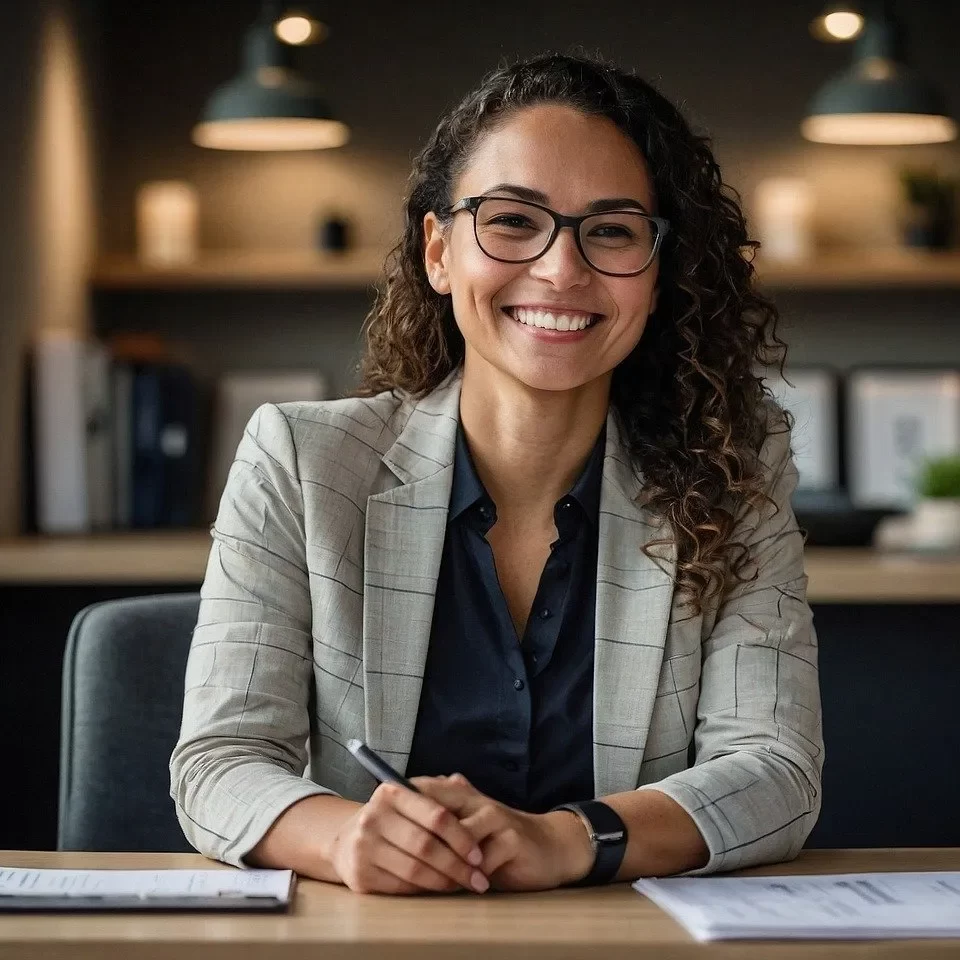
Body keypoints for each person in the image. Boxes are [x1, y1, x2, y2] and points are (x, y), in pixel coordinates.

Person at [170, 51, 823, 897]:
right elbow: (219, 762)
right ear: (440, 252)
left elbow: (776, 772)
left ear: (659, 277)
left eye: (613, 229)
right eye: (514, 220)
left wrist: (572, 839)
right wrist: (349, 840)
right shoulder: (301, 460)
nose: (561, 269)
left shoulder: (734, 468)